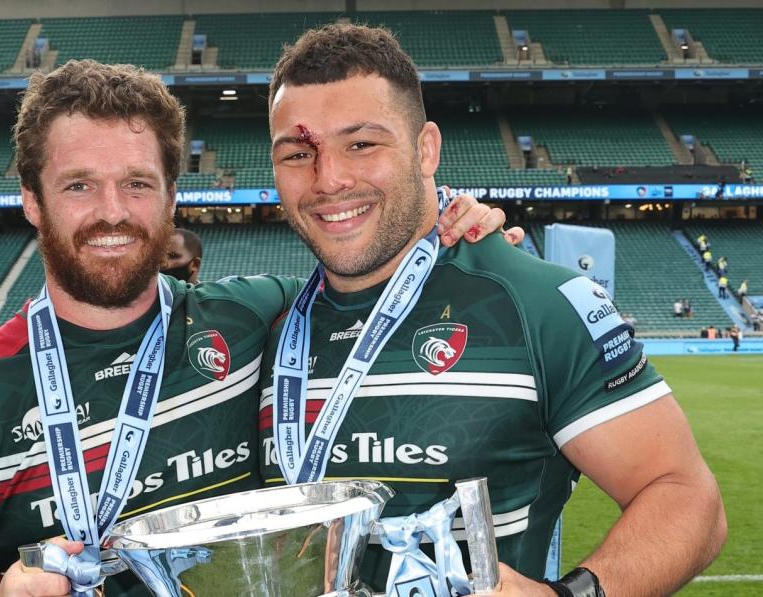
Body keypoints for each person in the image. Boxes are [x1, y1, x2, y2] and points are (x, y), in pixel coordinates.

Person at [0, 59, 515, 597]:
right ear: (32, 198)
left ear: (173, 196)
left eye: (138, 183)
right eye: (79, 186)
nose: (113, 212)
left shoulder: (263, 319)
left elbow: (396, 288)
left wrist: (462, 231)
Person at [257, 23, 725, 597]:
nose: (329, 179)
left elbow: (685, 493)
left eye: (362, 144)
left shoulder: (541, 305)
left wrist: (568, 595)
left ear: (426, 149)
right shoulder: (262, 325)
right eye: (299, 152)